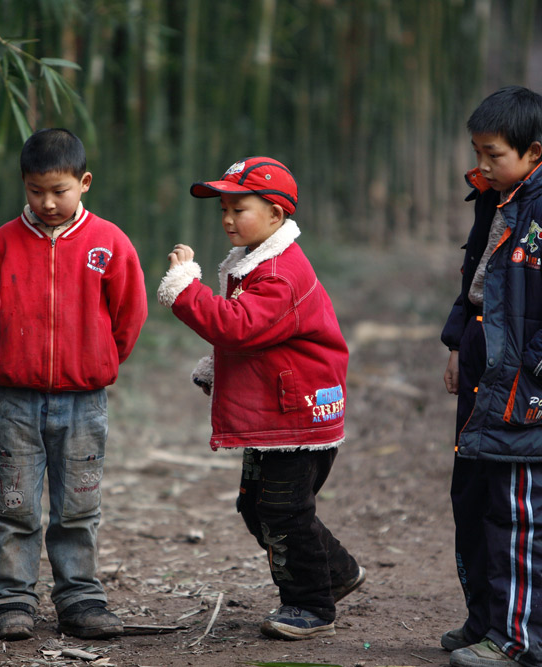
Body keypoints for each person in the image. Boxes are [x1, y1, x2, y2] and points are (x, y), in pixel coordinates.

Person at [157, 156, 365, 641]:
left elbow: (236, 326)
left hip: (298, 415)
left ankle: (311, 605)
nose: (227, 218)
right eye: (223, 208)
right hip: (278, 410)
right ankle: (335, 571)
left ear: (276, 214)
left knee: (284, 510)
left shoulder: (279, 273)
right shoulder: (257, 263)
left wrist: (185, 285)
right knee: (257, 506)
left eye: (239, 207)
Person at [439, 86, 542, 667]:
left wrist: (530, 368)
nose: (481, 166)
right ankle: (485, 621)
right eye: (477, 152)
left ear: (532, 151)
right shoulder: (497, 197)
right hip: (485, 378)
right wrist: (459, 344)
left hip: (530, 389)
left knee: (522, 515)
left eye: (493, 154)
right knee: (473, 500)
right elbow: (476, 280)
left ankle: (517, 642)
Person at [0, 128, 146, 641]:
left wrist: (97, 360)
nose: (48, 202)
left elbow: (129, 312)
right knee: (14, 503)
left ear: (85, 182)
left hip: (84, 401)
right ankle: (13, 599)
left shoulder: (109, 242)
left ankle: (80, 597)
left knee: (79, 504)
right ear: (23, 185)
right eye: (36, 191)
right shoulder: (3, 242)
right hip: (16, 398)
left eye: (60, 190)